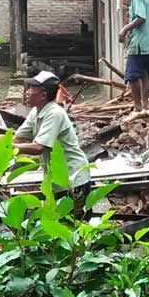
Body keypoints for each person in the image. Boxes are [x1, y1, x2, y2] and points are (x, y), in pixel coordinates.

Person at [13, 71, 91, 207]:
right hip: (56, 180)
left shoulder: (54, 114)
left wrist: (8, 148)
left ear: (43, 94)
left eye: (31, 88)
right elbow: (19, 139)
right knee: (59, 223)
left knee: (75, 224)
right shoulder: (36, 111)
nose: (27, 92)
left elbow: (38, 147)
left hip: (73, 178)